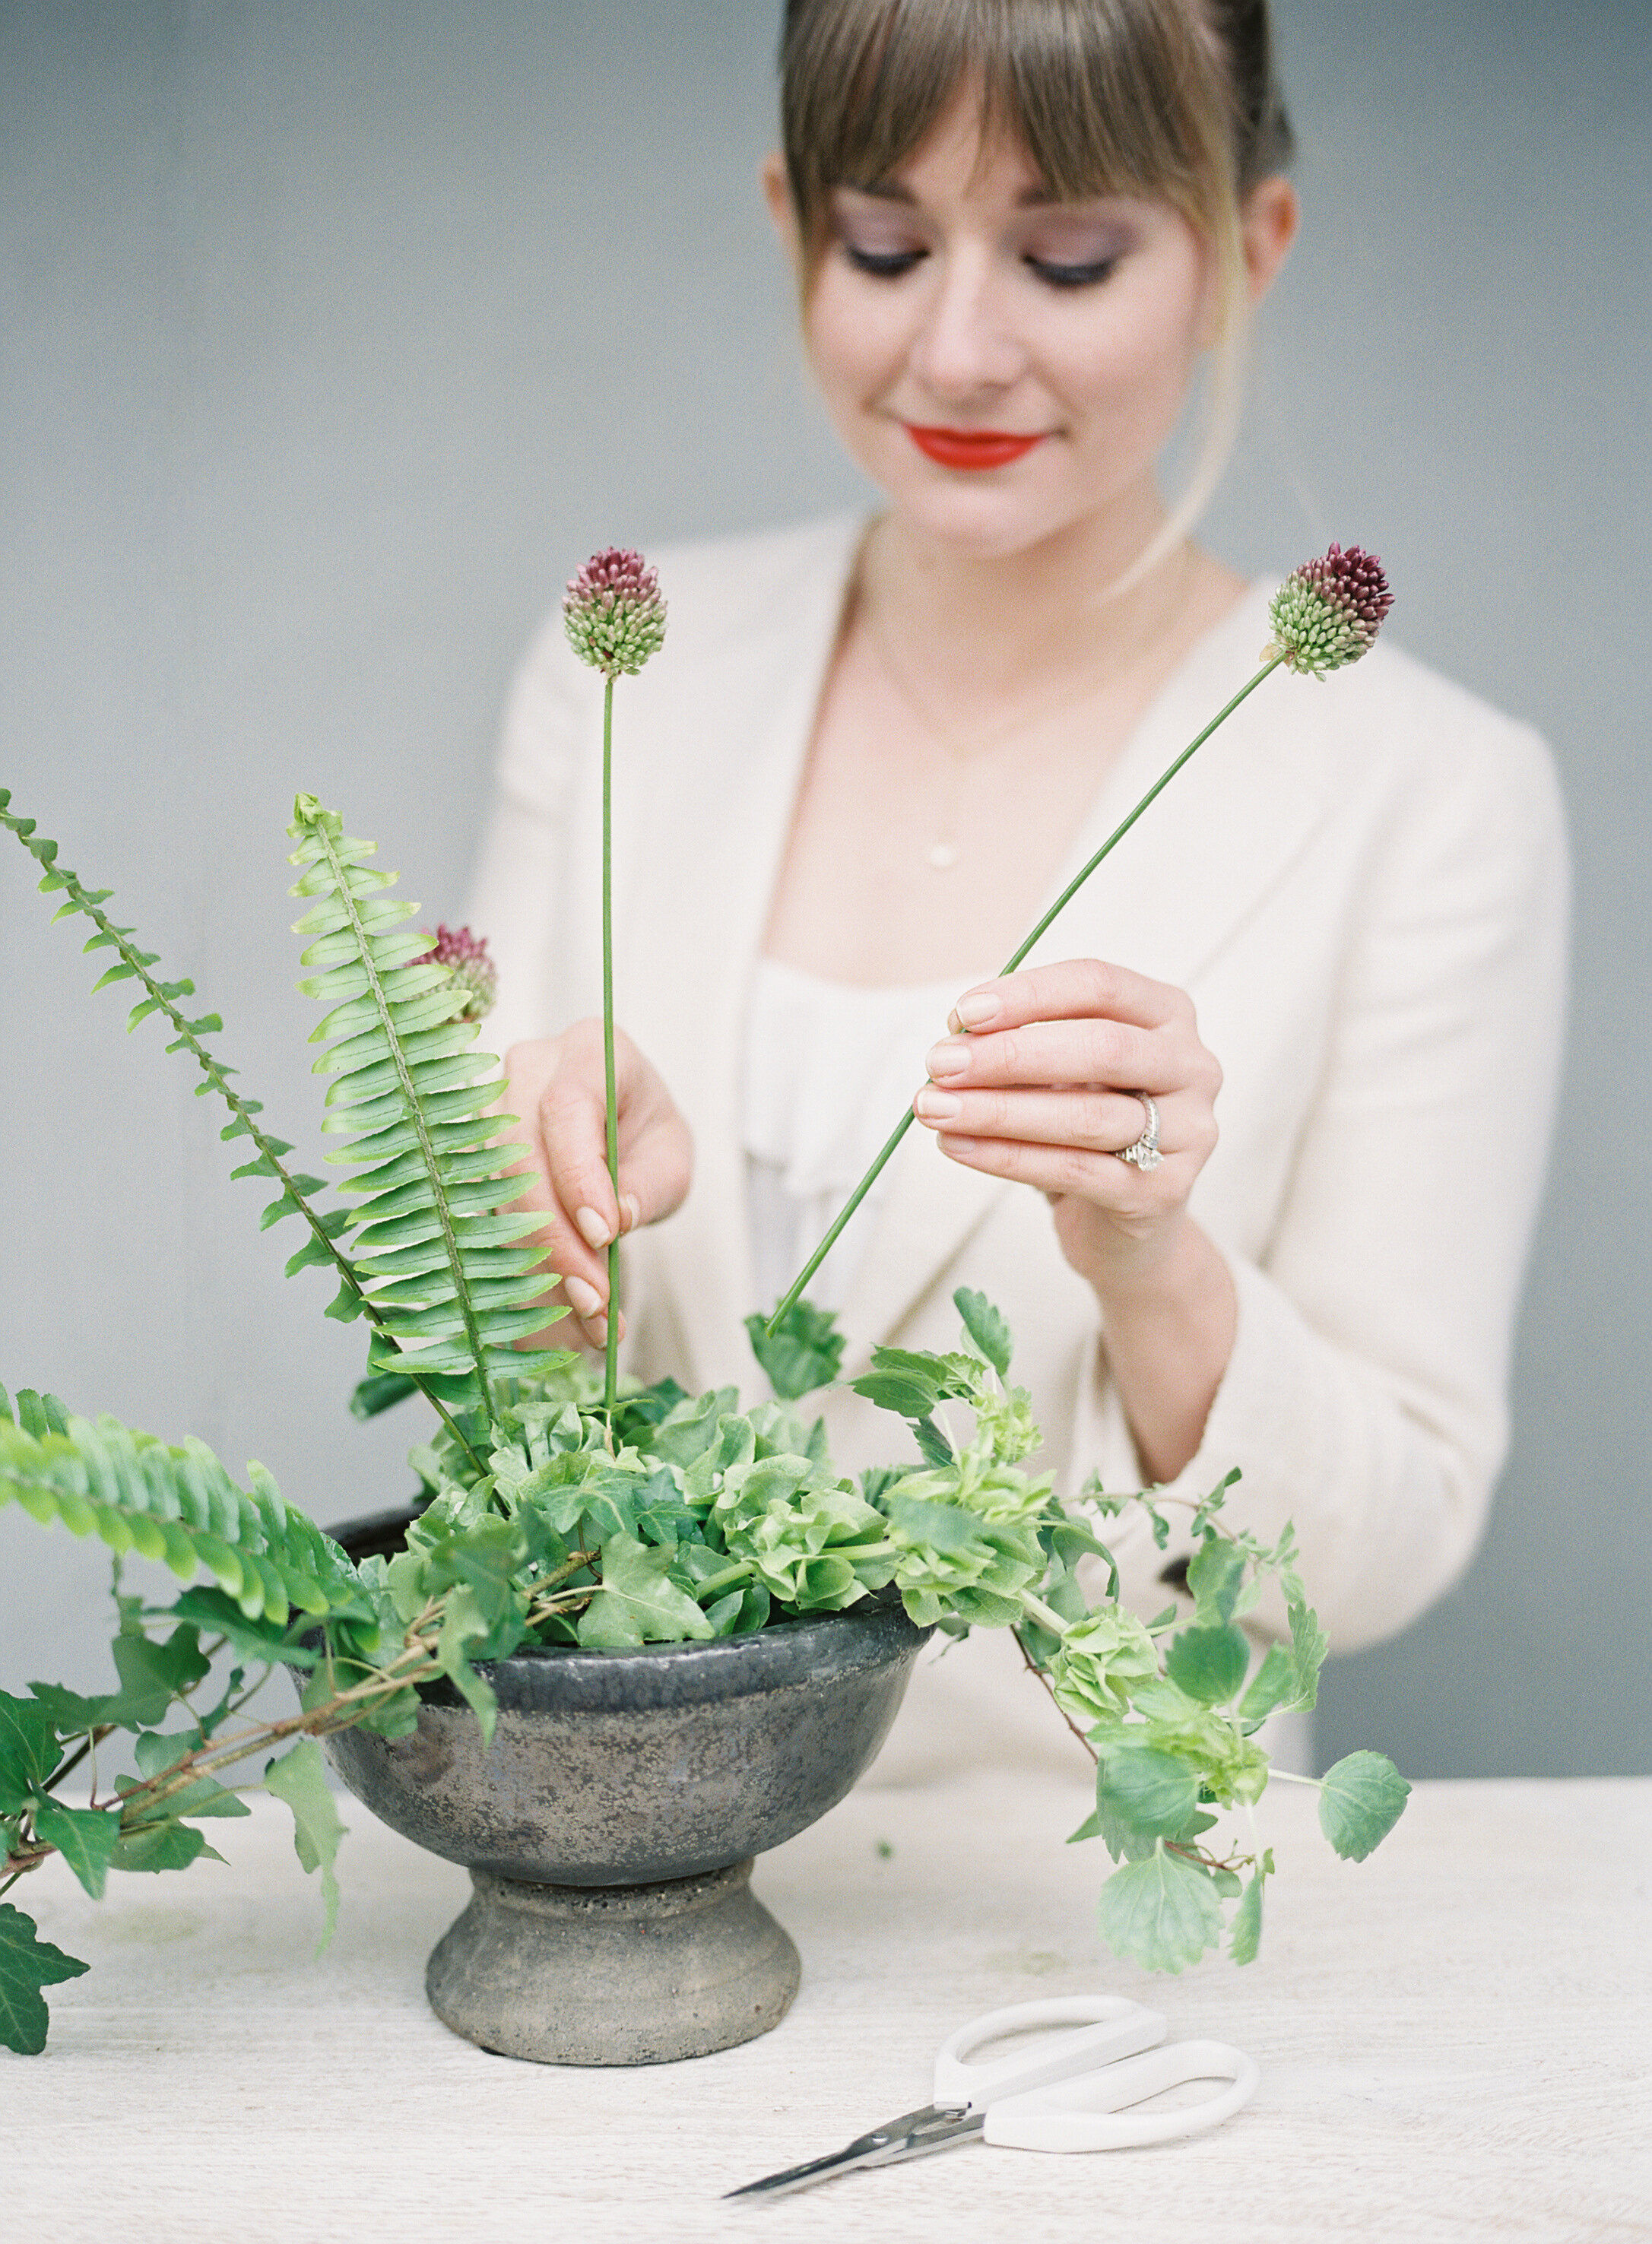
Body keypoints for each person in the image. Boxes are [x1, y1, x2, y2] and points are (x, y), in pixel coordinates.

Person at [468, 0, 1568, 1776]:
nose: (960, 349)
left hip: (1073, 1946)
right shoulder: (624, 670)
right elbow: (476, 1367)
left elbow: (1395, 1532)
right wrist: (529, 1208)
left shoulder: (1432, 794)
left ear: (1240, 251)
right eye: (885, 247)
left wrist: (1154, 1266)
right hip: (619, 1869)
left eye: (1065, 259)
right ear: (790, 224)